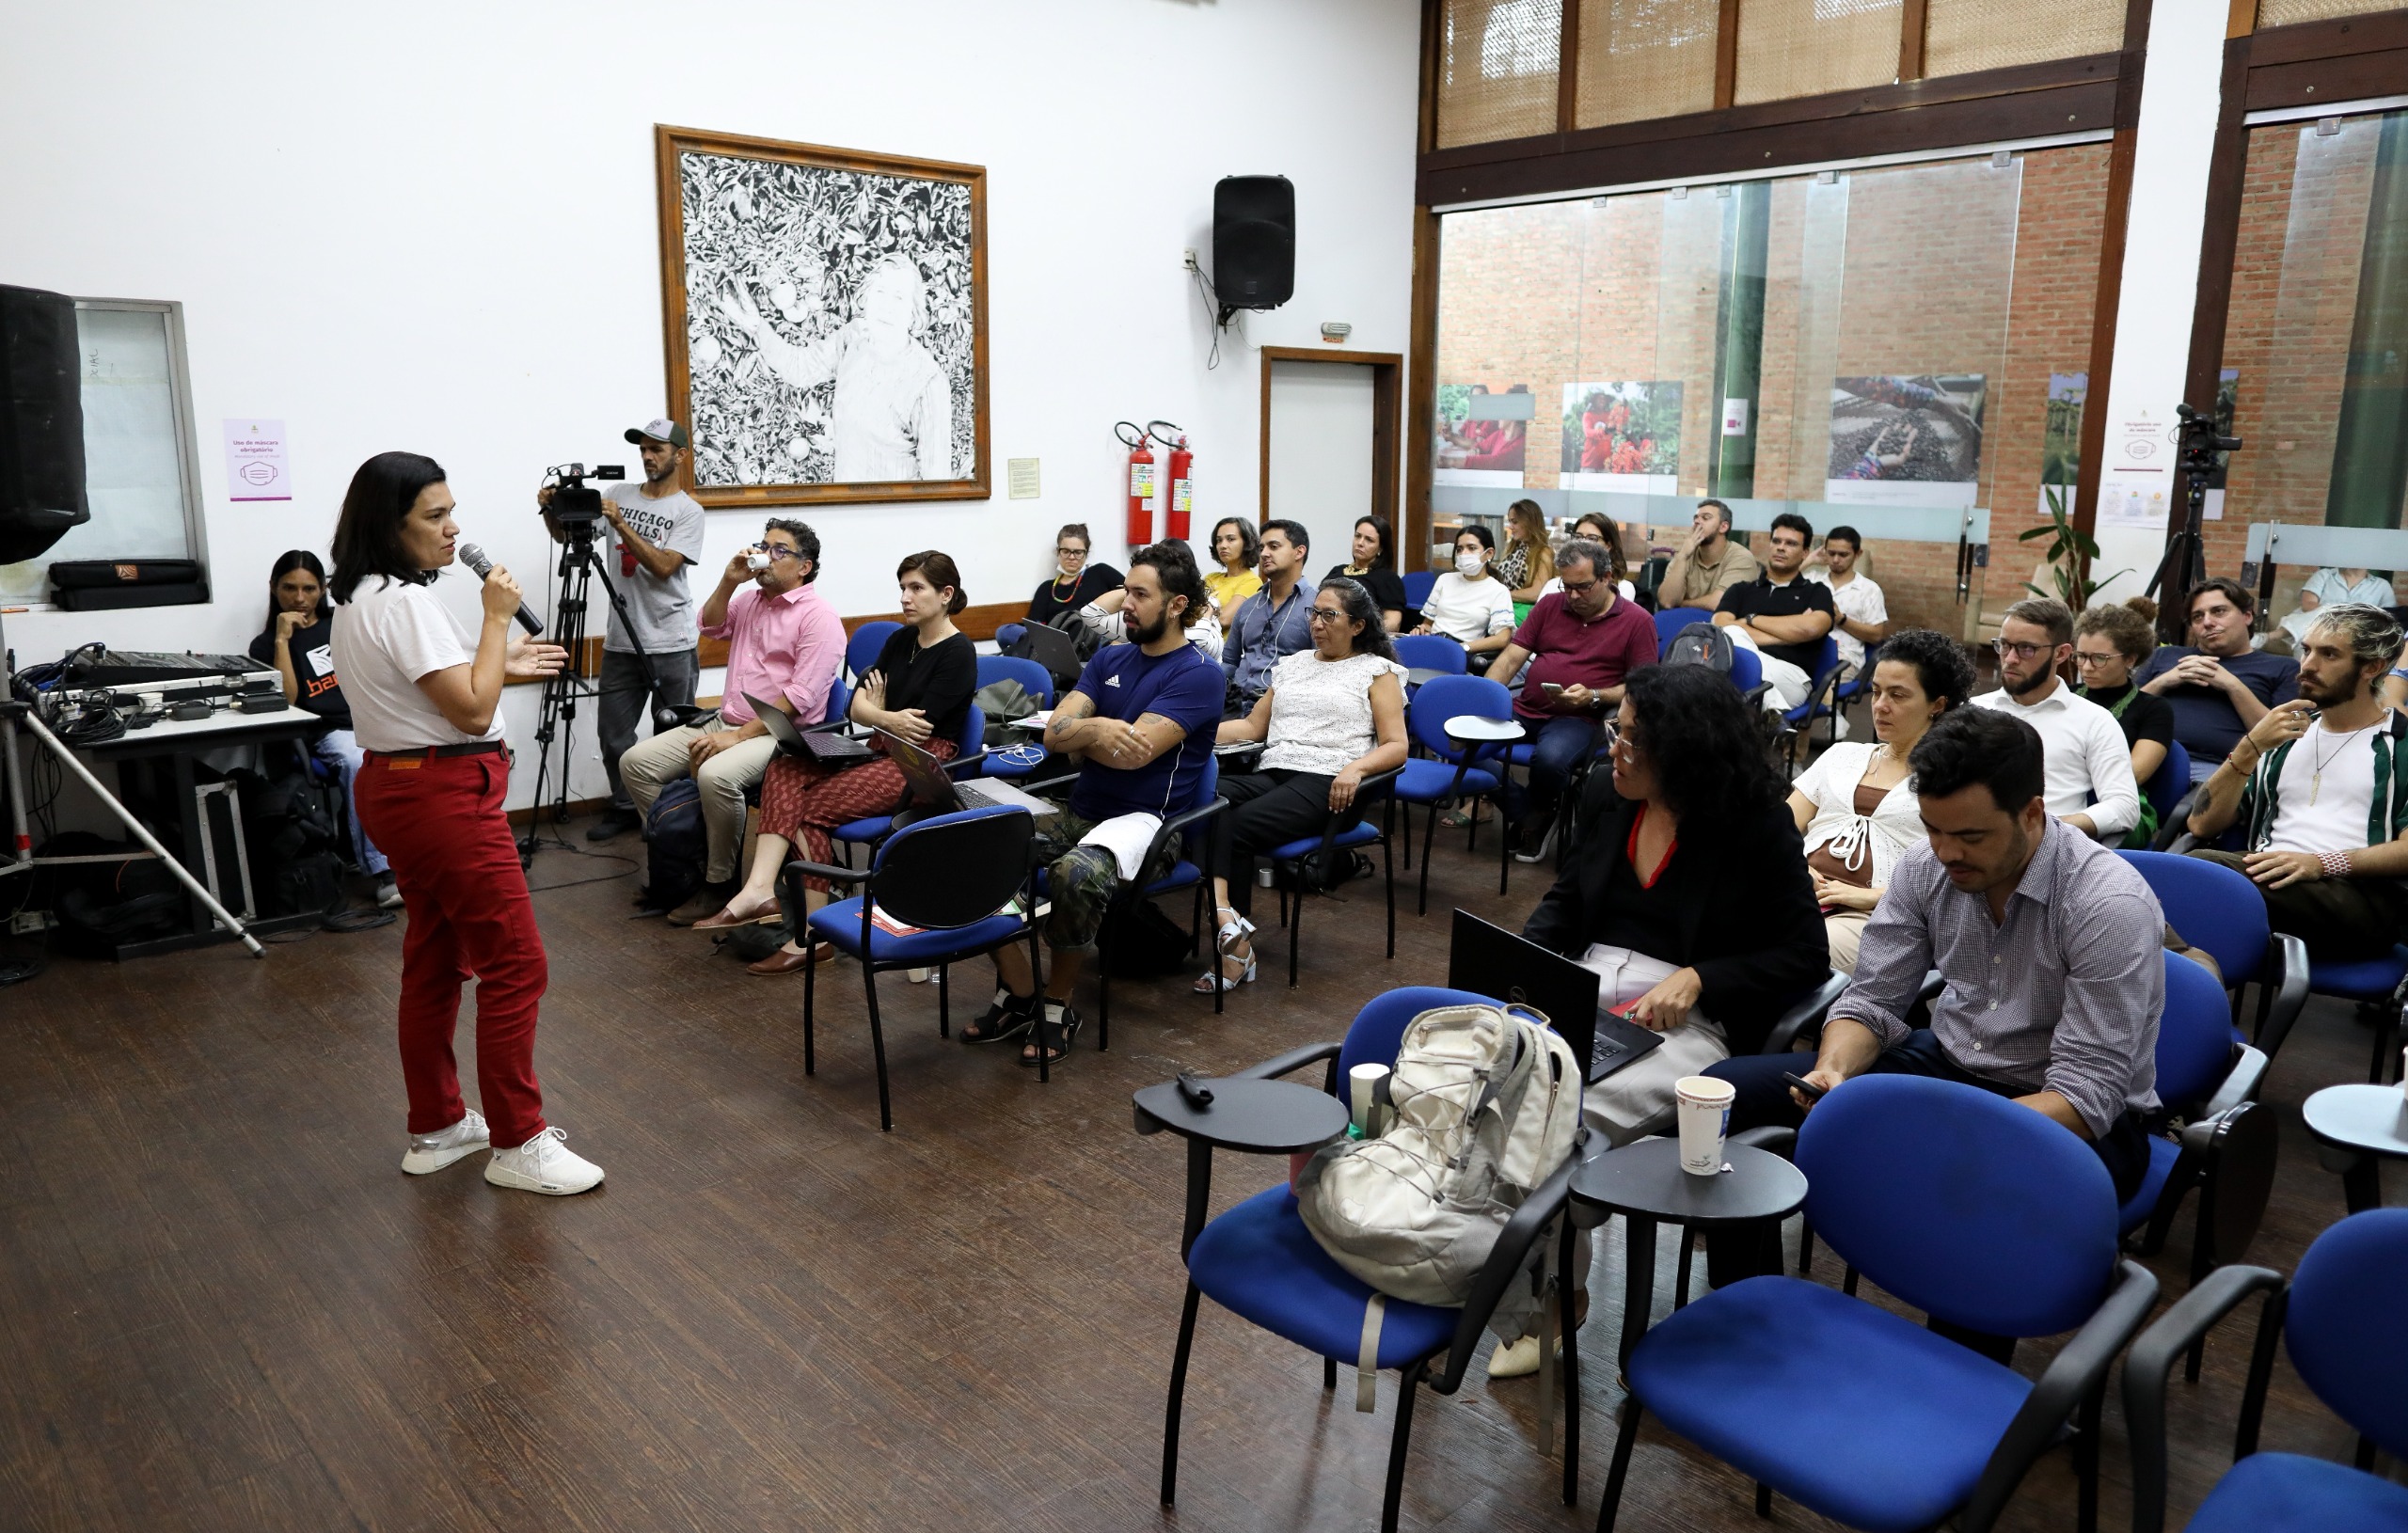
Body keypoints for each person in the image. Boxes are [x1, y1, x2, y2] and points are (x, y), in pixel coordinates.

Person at [1708, 708, 2162, 1210]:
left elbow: (2087, 1095)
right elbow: (1872, 1001)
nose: (1946, 853)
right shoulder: (1926, 867)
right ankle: (1750, 1257)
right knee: (1724, 1091)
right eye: (1932, 829)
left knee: (1945, 1183)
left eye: (1970, 837)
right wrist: (1833, 1071)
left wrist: (1932, 1127)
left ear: (2032, 814)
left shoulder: (2105, 905)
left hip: (2067, 1111)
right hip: (1951, 1065)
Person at [325, 450, 601, 1195]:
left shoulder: (359, 594)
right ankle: (519, 1142)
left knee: (436, 957)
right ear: (391, 525)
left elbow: (430, 687)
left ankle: (439, 1126)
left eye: (452, 512)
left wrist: (499, 658)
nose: (454, 530)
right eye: (435, 516)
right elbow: (473, 712)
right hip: (442, 797)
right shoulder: (405, 603)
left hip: (402, 789)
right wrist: (496, 620)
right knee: (516, 964)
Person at [1522, 663, 1829, 1146]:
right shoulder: (1607, 791)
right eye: (1617, 731)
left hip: (1685, 1022)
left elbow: (1806, 956)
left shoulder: (1758, 825)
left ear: (1685, 752)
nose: (1614, 750)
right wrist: (1520, 967)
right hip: (1585, 991)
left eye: (1632, 740)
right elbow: (1565, 903)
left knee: (1568, 1107)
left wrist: (1700, 978)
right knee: (1490, 1072)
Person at [969, 544, 1226, 1067]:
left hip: (1149, 824)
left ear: (1177, 605)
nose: (1124, 604)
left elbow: (1134, 755)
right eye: (1126, 592)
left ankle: (1059, 1005)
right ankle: (1020, 988)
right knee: (973, 844)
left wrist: (1082, 733)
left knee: (1076, 874)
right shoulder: (1110, 658)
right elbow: (1053, 735)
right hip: (1081, 810)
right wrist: (1101, 729)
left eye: (1140, 595)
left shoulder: (1199, 673)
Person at [696, 551, 980, 974]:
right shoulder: (901, 640)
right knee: (785, 766)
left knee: (805, 810)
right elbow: (854, 706)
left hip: (919, 766)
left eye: (916, 588)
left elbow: (917, 729)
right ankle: (763, 892)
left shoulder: (958, 653)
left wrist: (877, 713)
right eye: (902, 587)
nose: (905, 597)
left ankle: (810, 937)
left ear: (946, 594)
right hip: (881, 748)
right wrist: (882, 715)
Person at [620, 519, 846, 925]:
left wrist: (738, 737)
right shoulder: (749, 601)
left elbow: (800, 697)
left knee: (715, 776)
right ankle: (685, 859)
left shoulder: (820, 617)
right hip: (726, 719)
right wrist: (729, 580)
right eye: (764, 545)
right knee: (635, 764)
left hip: (781, 734)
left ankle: (720, 882)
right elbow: (709, 625)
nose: (765, 555)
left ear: (804, 567)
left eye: (779, 550)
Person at [1200, 577, 1408, 991]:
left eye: (1329, 615)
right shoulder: (1294, 664)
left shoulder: (1376, 671)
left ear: (1358, 625)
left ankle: (1235, 949)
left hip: (1333, 783)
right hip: (1277, 770)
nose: (1316, 623)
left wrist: (1357, 768)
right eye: (1315, 613)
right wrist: (1190, 733)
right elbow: (1252, 727)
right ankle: (1227, 920)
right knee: (1204, 801)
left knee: (1235, 825)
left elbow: (1397, 746)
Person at [2183, 603, 2408, 961]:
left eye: (2329, 654)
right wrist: (2250, 747)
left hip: (2358, 897)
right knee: (2184, 878)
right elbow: (2201, 824)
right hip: (2268, 879)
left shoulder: (2401, 743)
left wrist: (2321, 863)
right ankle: (2195, 973)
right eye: (2306, 650)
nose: (2308, 665)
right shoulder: (2284, 735)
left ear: (2372, 667)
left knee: (2196, 872)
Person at [544, 419, 707, 843]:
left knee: (672, 735)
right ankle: (624, 807)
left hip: (672, 641)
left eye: (657, 449)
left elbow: (665, 566)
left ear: (680, 456)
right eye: (643, 450)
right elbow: (567, 536)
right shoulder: (618, 494)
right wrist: (551, 510)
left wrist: (621, 524)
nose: (648, 457)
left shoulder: (688, 511)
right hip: (621, 640)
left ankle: (671, 815)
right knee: (613, 735)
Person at [1790, 629, 1975, 972]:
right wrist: (1796, 869)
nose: (1879, 705)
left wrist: (1872, 896)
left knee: (1791, 949)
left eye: (1898, 695)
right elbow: (1778, 830)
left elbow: (1961, 879)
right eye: (1876, 692)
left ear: (1937, 705)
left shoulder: (1952, 781)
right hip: (1799, 892)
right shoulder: (1842, 755)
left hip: (1877, 915)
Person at [1482, 538, 1659, 861]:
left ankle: (1536, 812)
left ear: (1607, 578)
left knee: (1551, 760)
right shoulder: (1550, 605)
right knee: (1461, 742)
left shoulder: (1637, 621)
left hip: (1580, 718)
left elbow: (1642, 686)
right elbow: (1510, 659)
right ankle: (1532, 813)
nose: (1574, 596)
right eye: (1567, 587)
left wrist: (1596, 695)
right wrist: (1484, 700)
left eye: (1583, 587)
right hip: (1526, 708)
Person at [248, 550, 398, 909]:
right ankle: (385, 873)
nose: (299, 598)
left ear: (323, 589)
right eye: (289, 588)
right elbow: (287, 701)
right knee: (359, 761)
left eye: (309, 589)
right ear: (274, 588)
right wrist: (283, 641)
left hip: (372, 718)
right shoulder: (265, 644)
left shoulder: (342, 621)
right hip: (328, 732)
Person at [718, 254, 953, 481]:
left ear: (913, 314)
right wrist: (757, 326)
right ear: (866, 298)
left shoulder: (928, 382)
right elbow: (799, 368)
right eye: (880, 292)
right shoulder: (855, 338)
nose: (886, 307)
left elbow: (937, 484)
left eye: (899, 298)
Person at [1972, 597, 2141, 843]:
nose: (2010, 659)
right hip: (1967, 840)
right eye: (2004, 645)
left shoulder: (2094, 721)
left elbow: (2125, 806)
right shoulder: (1972, 710)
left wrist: (2049, 828)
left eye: (2026, 649)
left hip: (2049, 845)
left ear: (2061, 653)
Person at [2136, 578, 2299, 783]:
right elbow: (2119, 714)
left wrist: (2233, 686)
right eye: (2197, 617)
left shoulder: (2283, 668)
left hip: (2220, 770)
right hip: (2143, 756)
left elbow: (2280, 740)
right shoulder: (2164, 656)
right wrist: (2163, 681)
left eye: (2219, 611)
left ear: (2247, 616)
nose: (2207, 622)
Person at [2073, 601, 2178, 844]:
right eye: (2080, 656)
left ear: (2130, 659)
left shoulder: (2154, 709)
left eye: (2099, 658)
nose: (2086, 667)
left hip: (2120, 804)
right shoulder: (2064, 695)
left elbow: (2135, 773)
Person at [1713, 512, 1837, 710]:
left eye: (1791, 543)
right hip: (1739, 670)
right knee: (1730, 635)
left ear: (1805, 553)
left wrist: (1751, 619)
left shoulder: (1817, 592)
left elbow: (1812, 628)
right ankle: (1774, 716)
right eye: (1776, 541)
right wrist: (1789, 637)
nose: (1781, 547)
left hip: (1789, 676)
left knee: (1734, 639)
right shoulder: (1741, 589)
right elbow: (1720, 625)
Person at [1221, 519, 1314, 713]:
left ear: (1299, 552)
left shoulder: (1316, 606)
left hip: (1283, 708)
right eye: (1261, 548)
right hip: (1235, 702)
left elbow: (1322, 669)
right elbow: (1229, 662)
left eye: (1274, 546)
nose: (1264, 554)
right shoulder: (1249, 606)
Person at [1411, 526, 1517, 666]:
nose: (1463, 554)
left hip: (1462, 651)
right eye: (1459, 549)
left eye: (1471, 548)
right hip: (1433, 643)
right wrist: (1422, 629)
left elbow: (1502, 639)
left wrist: (1462, 647)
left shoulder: (1498, 591)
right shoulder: (1444, 579)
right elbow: (1428, 623)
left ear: (1489, 553)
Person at [1806, 525, 1889, 678]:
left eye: (1843, 555)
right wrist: (1809, 560)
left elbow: (1876, 635)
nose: (1836, 560)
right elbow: (1782, 583)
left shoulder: (1869, 590)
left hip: (1843, 657)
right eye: (1831, 553)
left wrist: (1841, 620)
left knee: (1826, 686)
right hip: (1806, 651)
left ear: (1858, 554)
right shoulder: (1812, 580)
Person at [1655, 498, 1759, 612]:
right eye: (1696, 518)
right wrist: (1682, 556)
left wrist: (1682, 604)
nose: (1697, 521)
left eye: (1706, 518)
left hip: (1720, 622)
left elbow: (1719, 603)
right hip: (1686, 619)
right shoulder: (1685, 555)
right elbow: (1667, 602)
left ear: (1723, 527)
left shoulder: (1741, 557)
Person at [1024, 522, 1123, 627]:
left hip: (1093, 635)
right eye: (1065, 551)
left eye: (1078, 552)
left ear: (1086, 553)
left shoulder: (1101, 573)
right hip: (1056, 636)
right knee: (1011, 630)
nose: (1071, 557)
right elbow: (1035, 628)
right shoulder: (1046, 589)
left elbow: (1132, 594)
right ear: (1058, 552)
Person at [1326, 514, 1407, 633]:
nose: (1360, 543)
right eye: (1357, 536)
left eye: (1369, 540)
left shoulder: (1388, 578)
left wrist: (1361, 633)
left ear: (1380, 549)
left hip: (1361, 638)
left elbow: (1393, 623)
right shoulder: (1337, 570)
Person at [1497, 498, 1557, 605]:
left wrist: (1500, 594)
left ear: (1529, 523)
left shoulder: (1543, 552)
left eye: (1515, 522)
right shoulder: (1512, 548)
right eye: (1510, 521)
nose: (1510, 527)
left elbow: (1536, 593)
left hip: (1522, 610)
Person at [1202, 515, 1261, 619]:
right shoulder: (1210, 578)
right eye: (1219, 540)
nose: (1223, 545)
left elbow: (1225, 619)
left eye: (1231, 539)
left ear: (1247, 543)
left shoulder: (1252, 581)